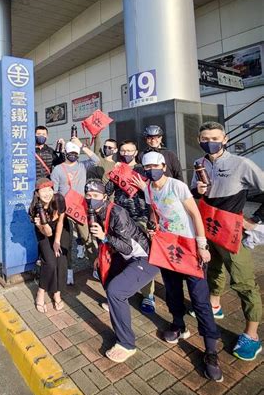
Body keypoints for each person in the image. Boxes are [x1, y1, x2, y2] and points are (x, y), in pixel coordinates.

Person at [136, 152, 223, 381]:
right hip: (167, 247)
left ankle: (211, 350)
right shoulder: (148, 189)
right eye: (147, 167)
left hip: (189, 246)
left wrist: (202, 245)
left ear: (164, 166)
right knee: (173, 291)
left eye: (155, 165)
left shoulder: (177, 186)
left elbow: (195, 214)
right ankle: (178, 324)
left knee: (199, 298)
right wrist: (153, 227)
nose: (151, 170)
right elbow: (154, 214)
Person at [191, 121, 263, 361]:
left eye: (214, 137)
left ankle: (251, 335)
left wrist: (255, 219)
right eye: (204, 138)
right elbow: (194, 196)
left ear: (225, 139)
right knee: (213, 268)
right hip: (209, 229)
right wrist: (198, 192)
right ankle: (214, 304)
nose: (209, 142)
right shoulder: (199, 164)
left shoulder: (241, 164)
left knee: (243, 283)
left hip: (232, 234)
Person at [86, 179, 158, 362]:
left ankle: (127, 343)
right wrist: (100, 254)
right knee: (105, 273)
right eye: (88, 196)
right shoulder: (94, 212)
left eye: (95, 196)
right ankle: (116, 305)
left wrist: (104, 237)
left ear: (104, 196)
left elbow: (127, 246)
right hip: (124, 255)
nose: (91, 199)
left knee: (115, 291)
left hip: (145, 258)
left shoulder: (117, 212)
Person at [105, 139, 155, 314]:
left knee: (143, 255)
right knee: (120, 254)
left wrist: (144, 187)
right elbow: (107, 191)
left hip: (140, 218)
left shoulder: (143, 170)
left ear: (136, 152)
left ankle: (148, 295)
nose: (126, 154)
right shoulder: (117, 168)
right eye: (123, 151)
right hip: (120, 218)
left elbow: (154, 192)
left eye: (130, 151)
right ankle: (120, 290)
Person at [51, 138, 100, 284]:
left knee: (88, 239)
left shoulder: (82, 166)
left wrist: (82, 146)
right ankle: (69, 271)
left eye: (75, 153)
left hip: (81, 208)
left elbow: (96, 160)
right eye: (71, 152)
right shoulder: (58, 169)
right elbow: (54, 191)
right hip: (64, 211)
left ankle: (97, 267)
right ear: (65, 152)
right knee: (67, 242)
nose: (73, 155)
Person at [29, 178, 70, 312]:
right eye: (43, 190)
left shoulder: (59, 199)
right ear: (36, 193)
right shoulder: (35, 209)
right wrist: (43, 224)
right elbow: (47, 233)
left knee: (61, 260)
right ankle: (41, 292)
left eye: (49, 189)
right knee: (50, 263)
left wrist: (57, 242)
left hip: (61, 229)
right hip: (44, 230)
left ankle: (57, 293)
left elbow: (60, 222)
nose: (47, 193)